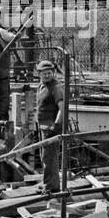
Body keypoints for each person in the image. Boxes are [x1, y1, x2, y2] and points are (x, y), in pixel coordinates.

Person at [34, 59, 63, 195]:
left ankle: (52, 186)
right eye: (44, 73)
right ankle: (47, 182)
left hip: (51, 128)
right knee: (44, 157)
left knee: (51, 157)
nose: (46, 75)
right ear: (39, 74)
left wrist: (56, 126)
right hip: (42, 127)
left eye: (49, 73)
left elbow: (62, 108)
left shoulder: (56, 87)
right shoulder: (42, 86)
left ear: (53, 72)